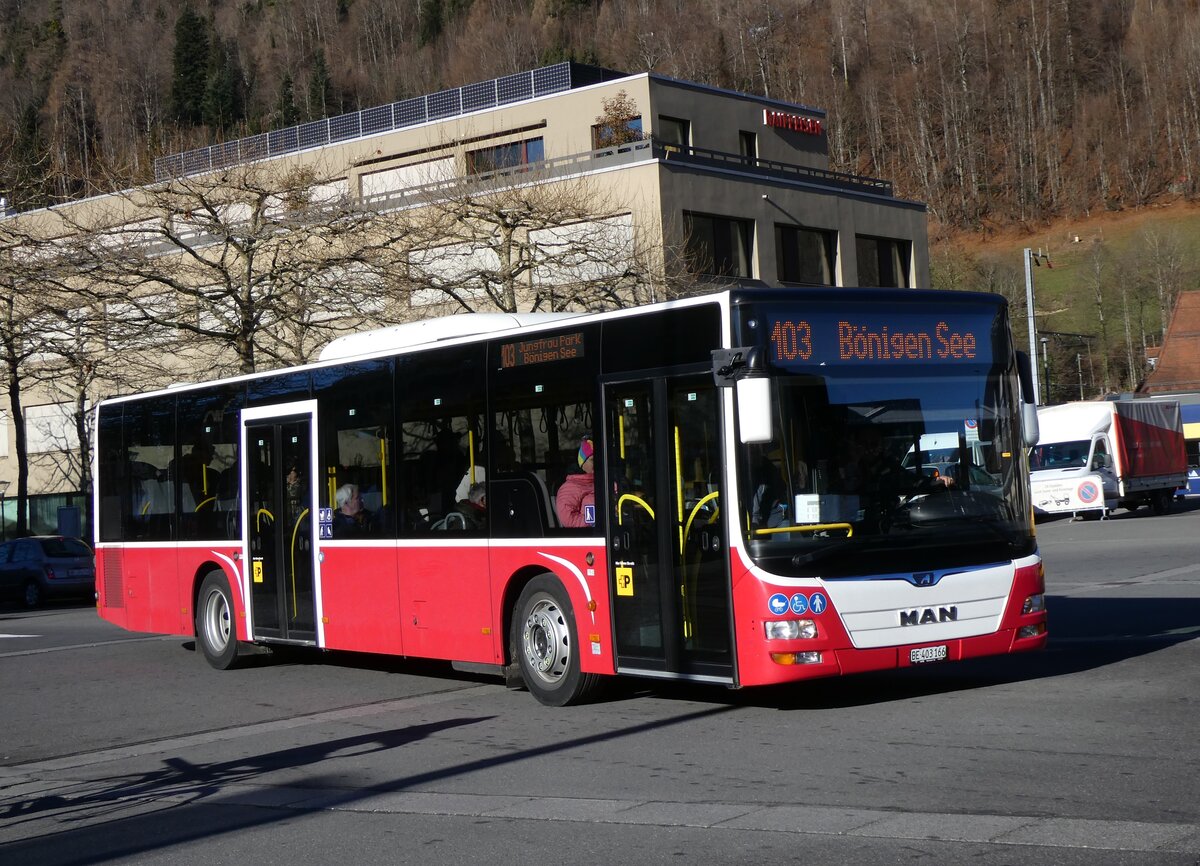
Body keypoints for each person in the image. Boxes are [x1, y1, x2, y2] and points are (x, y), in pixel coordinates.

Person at [556, 436, 596, 528]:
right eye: (593, 460)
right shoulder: (571, 487)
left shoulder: (605, 480)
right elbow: (568, 519)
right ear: (582, 463)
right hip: (591, 534)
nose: (597, 464)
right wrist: (594, 521)